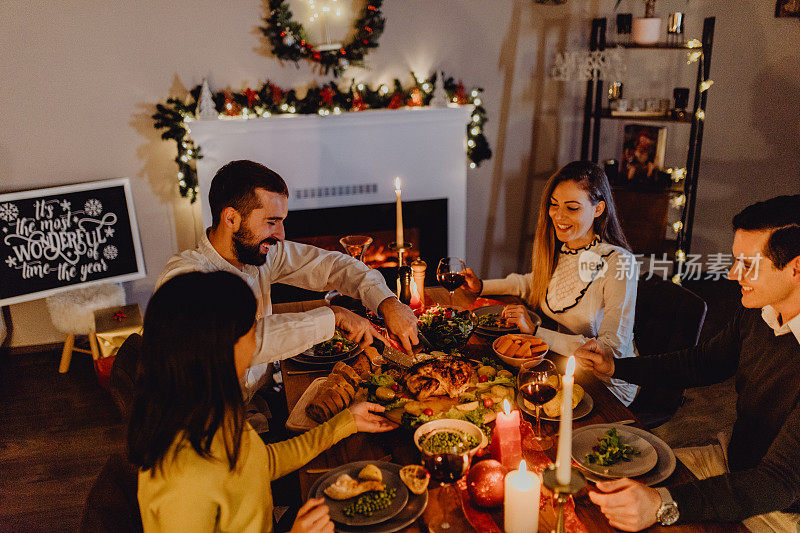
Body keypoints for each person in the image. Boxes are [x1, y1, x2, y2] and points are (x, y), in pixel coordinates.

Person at [576, 195, 800, 531]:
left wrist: (663, 504)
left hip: (783, 507)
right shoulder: (759, 312)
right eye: (735, 260)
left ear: (796, 268)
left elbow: (779, 481)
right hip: (731, 462)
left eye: (748, 264)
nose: (731, 274)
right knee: (603, 486)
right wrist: (617, 367)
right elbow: (703, 362)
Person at [130, 271, 397, 533]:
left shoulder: (209, 411)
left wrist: (346, 422)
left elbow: (259, 463)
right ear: (222, 349)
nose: (256, 340)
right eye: (252, 328)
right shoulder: (182, 479)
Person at [157, 160, 418, 405]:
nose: (280, 235)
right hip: (213, 425)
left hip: (266, 398)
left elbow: (335, 266)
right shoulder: (183, 278)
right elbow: (241, 340)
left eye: (281, 221)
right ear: (231, 219)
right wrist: (333, 316)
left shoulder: (259, 253)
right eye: (271, 222)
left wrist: (387, 302)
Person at [461, 161, 639, 405]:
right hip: (565, 365)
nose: (558, 216)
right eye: (554, 205)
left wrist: (536, 333)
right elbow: (531, 282)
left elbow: (608, 352)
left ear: (598, 209)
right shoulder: (565, 249)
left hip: (608, 386)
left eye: (572, 208)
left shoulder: (619, 263)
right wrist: (481, 286)